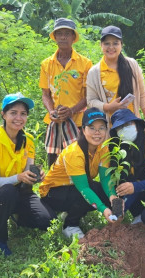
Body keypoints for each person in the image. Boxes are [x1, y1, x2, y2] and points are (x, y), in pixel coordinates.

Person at [0, 92, 56, 256]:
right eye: (13, 113)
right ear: (3, 114)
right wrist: (18, 177)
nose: (18, 118)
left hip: (22, 192)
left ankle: (16, 215)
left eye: (23, 113)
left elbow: (28, 171)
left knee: (47, 220)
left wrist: (35, 176)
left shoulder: (28, 140)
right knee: (8, 191)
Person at [40, 108, 117, 239]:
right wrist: (103, 209)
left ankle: (72, 212)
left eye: (102, 128)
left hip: (72, 188)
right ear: (82, 130)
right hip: (52, 193)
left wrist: (113, 198)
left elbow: (105, 178)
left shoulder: (103, 148)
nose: (97, 132)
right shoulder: (74, 153)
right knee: (88, 191)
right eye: (92, 128)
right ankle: (70, 225)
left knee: (103, 191)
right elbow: (84, 188)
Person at [40, 18, 93, 167]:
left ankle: (79, 189)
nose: (63, 37)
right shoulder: (47, 64)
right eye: (60, 34)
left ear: (73, 38)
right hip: (55, 122)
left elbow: (88, 95)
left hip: (78, 122)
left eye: (67, 34)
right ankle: (52, 190)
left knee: (78, 161)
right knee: (54, 163)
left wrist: (71, 111)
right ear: (55, 37)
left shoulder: (85, 63)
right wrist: (51, 111)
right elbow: (45, 94)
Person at [86, 25, 145, 128]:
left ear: (121, 45)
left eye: (115, 43)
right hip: (108, 127)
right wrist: (108, 107)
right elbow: (90, 101)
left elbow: (142, 94)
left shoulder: (132, 65)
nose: (111, 47)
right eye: (107, 43)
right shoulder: (94, 72)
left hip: (132, 123)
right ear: (101, 45)